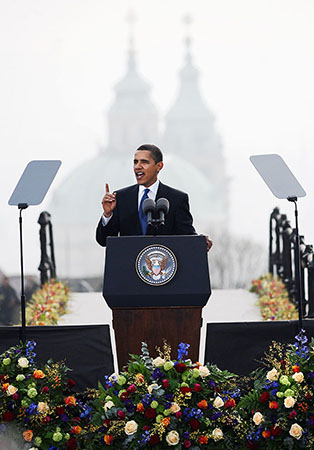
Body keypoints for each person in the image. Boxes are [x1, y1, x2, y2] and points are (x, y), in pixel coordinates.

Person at [96, 144, 212, 250]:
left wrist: (200, 241)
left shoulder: (177, 199)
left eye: (144, 162)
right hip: (130, 268)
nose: (138, 166)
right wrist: (107, 215)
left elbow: (186, 236)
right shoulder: (121, 198)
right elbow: (104, 240)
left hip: (165, 268)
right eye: (135, 162)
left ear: (159, 166)